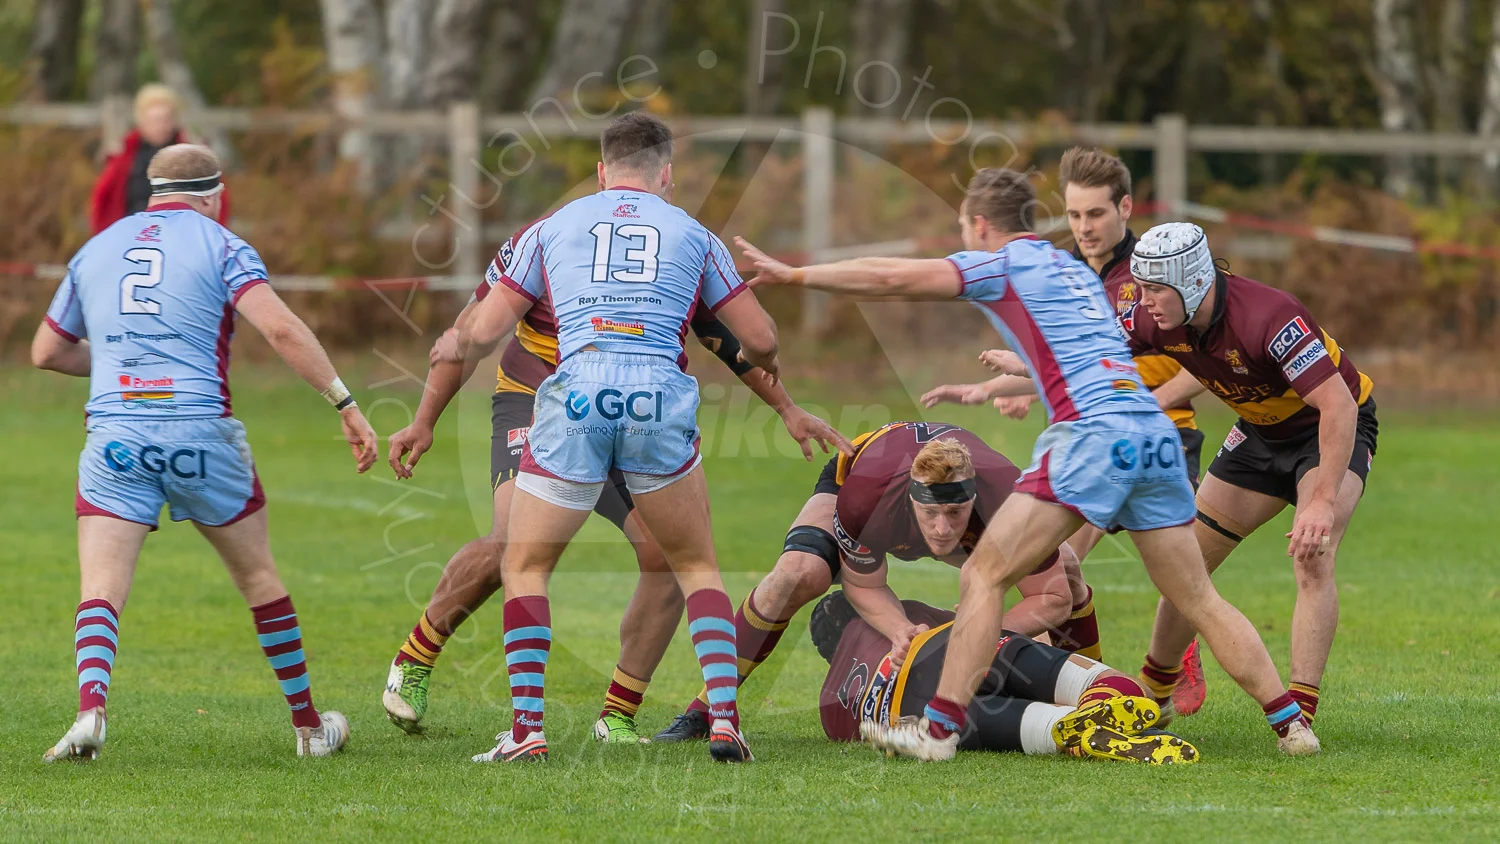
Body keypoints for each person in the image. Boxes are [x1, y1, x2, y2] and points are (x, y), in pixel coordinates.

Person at [738, 166, 1320, 761]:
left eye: (963, 229)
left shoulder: (1003, 264)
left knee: (982, 576)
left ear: (979, 224)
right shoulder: (1074, 270)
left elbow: (892, 276)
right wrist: (999, 388)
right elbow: (1083, 355)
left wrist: (795, 274)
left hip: (1092, 437)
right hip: (1154, 433)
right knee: (1198, 598)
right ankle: (1292, 726)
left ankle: (937, 733)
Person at [381, 222, 850, 745]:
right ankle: (416, 658)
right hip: (536, 398)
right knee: (513, 542)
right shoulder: (547, 237)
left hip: (629, 409)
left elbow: (725, 339)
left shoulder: (676, 244)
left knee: (665, 556)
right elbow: (469, 332)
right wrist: (424, 420)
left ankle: (618, 714)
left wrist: (786, 407)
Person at [436, 111, 780, 764]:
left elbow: (483, 331)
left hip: (579, 394)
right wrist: (771, 363)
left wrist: (457, 340)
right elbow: (759, 338)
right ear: (667, 175)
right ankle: (725, 722)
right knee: (695, 564)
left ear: (601, 171)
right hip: (657, 396)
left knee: (526, 564)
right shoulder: (696, 234)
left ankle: (527, 731)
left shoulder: (552, 227)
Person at [32, 144, 378, 761]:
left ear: (152, 192)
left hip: (116, 437)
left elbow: (47, 351)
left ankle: (89, 712)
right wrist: (344, 402)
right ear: (215, 196)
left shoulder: (95, 249)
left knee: (102, 585)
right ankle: (308, 728)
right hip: (199, 432)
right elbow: (281, 328)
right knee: (257, 576)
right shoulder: (223, 244)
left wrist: (119, 366)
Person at [922, 146, 1212, 715]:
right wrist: (1005, 387)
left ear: (1125, 208)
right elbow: (1073, 365)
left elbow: (1209, 362)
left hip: (1163, 436)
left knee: (1169, 581)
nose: (1084, 227)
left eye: (1095, 214)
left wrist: (1143, 405)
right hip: (1098, 442)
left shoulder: (1154, 270)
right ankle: (1085, 682)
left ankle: (1174, 657)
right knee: (1060, 570)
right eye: (1074, 215)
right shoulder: (1069, 273)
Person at [653, 421, 1099, 742]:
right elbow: (864, 584)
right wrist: (901, 630)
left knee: (1067, 572)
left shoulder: (1008, 497)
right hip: (854, 475)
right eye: (930, 512)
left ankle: (1096, 692)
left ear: (975, 499)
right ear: (910, 500)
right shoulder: (868, 498)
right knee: (795, 576)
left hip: (980, 518)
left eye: (955, 512)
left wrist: (972, 634)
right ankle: (706, 709)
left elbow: (1053, 598)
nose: (942, 528)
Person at [1121, 222, 1377, 727]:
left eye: (1154, 289)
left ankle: (1300, 713)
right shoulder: (1164, 316)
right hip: (1260, 433)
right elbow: (1088, 349)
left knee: (1313, 556)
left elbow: (1338, 406)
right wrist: (1020, 370)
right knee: (1186, 562)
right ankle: (1156, 692)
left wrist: (1322, 501)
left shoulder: (1271, 317)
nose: (1144, 301)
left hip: (1328, 428)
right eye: (1141, 288)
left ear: (1192, 281)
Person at [810, 591, 1197, 764]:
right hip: (942, 652)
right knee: (1108, 685)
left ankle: (1073, 728)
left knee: (1044, 727)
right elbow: (979, 628)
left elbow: (860, 734)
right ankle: (1100, 698)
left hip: (912, 715)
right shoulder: (896, 616)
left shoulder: (830, 706)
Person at [90, 84, 230, 234]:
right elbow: (102, 200)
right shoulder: (123, 156)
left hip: (181, 236)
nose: (161, 126)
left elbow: (216, 197)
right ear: (142, 121)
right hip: (132, 234)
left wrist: (212, 235)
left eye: (166, 119)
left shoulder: (193, 157)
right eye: (155, 120)